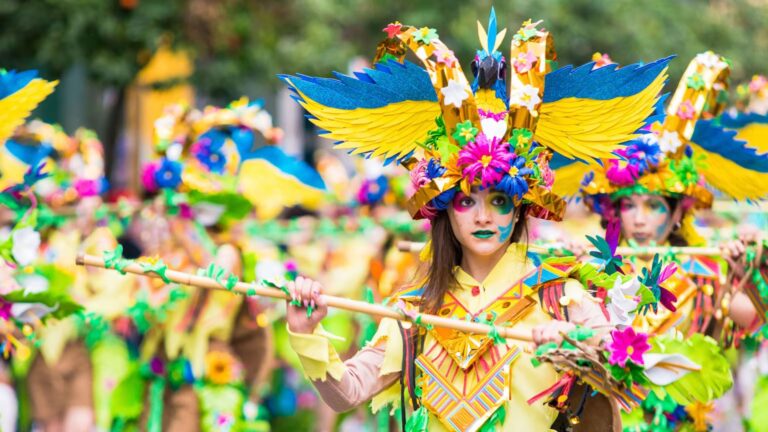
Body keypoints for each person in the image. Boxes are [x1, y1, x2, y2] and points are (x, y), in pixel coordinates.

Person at [279, 10, 673, 431]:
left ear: (520, 207)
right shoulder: (415, 306)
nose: (484, 216)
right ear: (445, 209)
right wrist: (306, 334)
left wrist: (576, 346)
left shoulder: (560, 294)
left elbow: (628, 366)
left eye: (500, 200)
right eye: (467, 201)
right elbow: (349, 392)